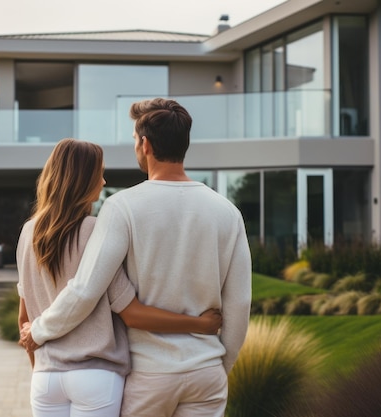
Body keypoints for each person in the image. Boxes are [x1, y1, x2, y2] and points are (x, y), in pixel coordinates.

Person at [20, 98, 252, 417]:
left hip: (149, 374)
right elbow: (239, 304)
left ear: (145, 145)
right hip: (207, 372)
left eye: (133, 140)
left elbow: (85, 289)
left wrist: (39, 331)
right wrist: (220, 365)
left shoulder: (122, 207)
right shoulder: (228, 212)